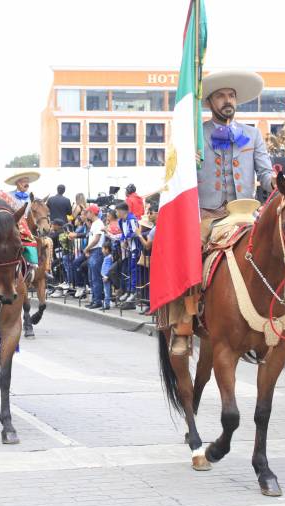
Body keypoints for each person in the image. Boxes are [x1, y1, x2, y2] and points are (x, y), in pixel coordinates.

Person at [165, 70, 276, 356]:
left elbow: (264, 172)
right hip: (207, 214)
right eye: (221, 96)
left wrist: (275, 181)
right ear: (211, 102)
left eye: (231, 96)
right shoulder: (196, 135)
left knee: (276, 250)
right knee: (188, 254)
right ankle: (184, 322)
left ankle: (276, 319)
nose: (228, 101)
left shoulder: (252, 134)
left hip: (246, 212)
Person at [116, 201, 140, 309]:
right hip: (128, 249)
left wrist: (126, 239)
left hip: (135, 248)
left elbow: (135, 232)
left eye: (117, 211)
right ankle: (128, 290)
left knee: (134, 270)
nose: (116, 213)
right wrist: (123, 240)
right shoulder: (121, 221)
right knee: (128, 270)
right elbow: (123, 234)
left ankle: (133, 291)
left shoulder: (131, 219)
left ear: (121, 211)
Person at [83, 204, 106, 309]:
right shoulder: (95, 223)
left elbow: (96, 239)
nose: (86, 214)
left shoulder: (98, 223)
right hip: (94, 251)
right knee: (92, 278)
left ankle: (97, 300)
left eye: (87, 212)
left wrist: (87, 248)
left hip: (96, 251)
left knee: (95, 277)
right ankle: (95, 299)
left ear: (92, 212)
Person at [100, 241, 113, 311]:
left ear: (107, 249)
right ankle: (107, 303)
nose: (102, 251)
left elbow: (109, 268)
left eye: (102, 249)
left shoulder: (109, 258)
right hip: (104, 276)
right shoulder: (107, 257)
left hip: (106, 277)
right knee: (106, 290)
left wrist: (106, 276)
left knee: (106, 291)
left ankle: (107, 304)